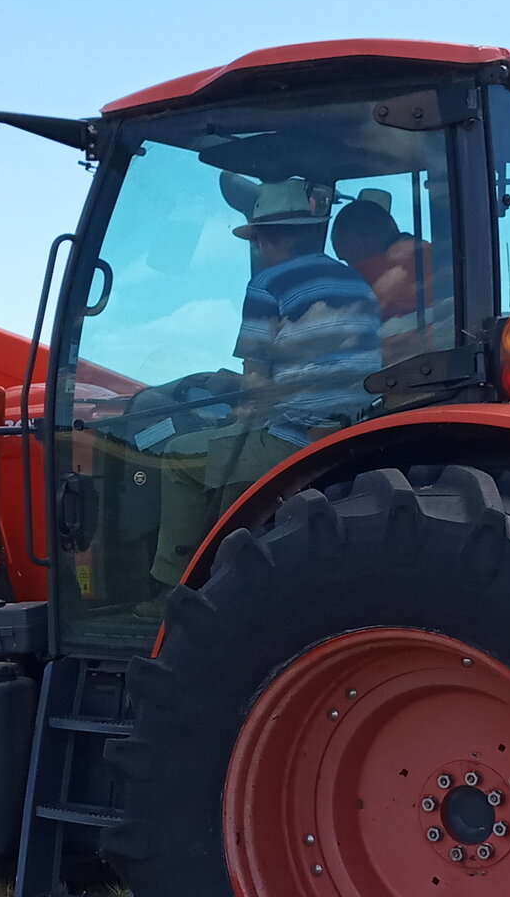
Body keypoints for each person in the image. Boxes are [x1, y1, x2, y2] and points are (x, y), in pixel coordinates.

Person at [148, 178, 380, 589]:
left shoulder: (266, 285)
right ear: (311, 232)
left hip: (294, 438)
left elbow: (254, 391)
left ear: (264, 240)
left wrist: (226, 399)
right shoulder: (356, 282)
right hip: (352, 429)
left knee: (178, 458)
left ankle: (169, 591)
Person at [332, 188, 441, 362]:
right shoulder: (437, 258)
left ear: (355, 245)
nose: (349, 267)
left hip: (397, 374)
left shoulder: (369, 275)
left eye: (346, 260)